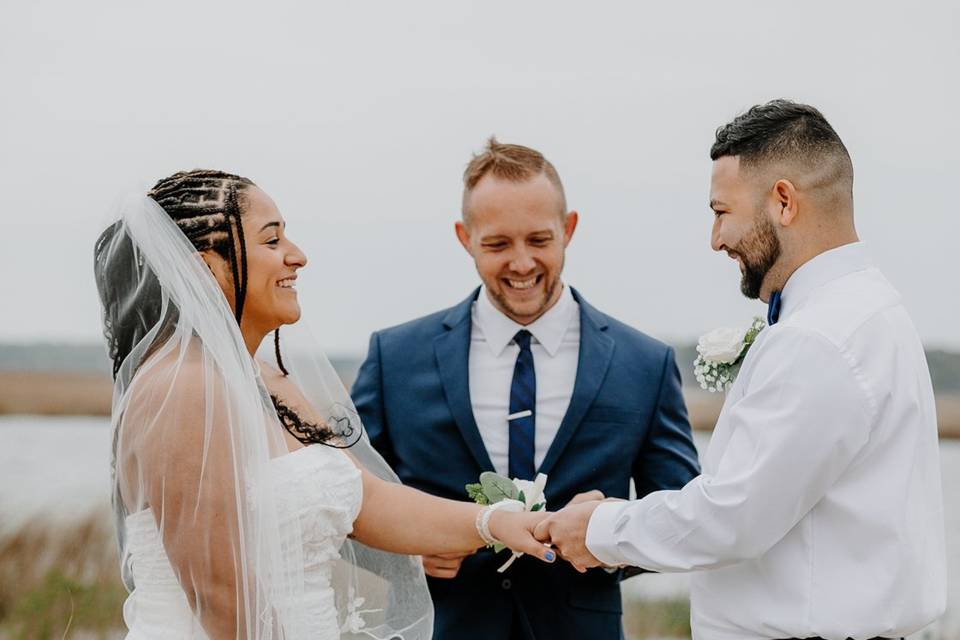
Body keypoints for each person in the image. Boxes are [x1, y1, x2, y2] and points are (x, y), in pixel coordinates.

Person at [536, 100, 947, 640]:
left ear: (782, 201)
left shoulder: (817, 338)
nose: (716, 239)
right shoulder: (872, 309)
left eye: (721, 211)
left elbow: (733, 516)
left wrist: (598, 527)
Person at [93, 170, 554, 640]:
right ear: (206, 268)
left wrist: (495, 522)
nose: (298, 256)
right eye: (272, 241)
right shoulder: (183, 386)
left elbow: (369, 501)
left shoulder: (271, 381)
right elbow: (220, 594)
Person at [351, 139, 701, 640]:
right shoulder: (394, 358)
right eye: (497, 244)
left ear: (569, 229)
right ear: (464, 238)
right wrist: (402, 552)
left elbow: (678, 513)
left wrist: (606, 539)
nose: (520, 263)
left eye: (539, 240)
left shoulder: (644, 363)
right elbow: (345, 501)